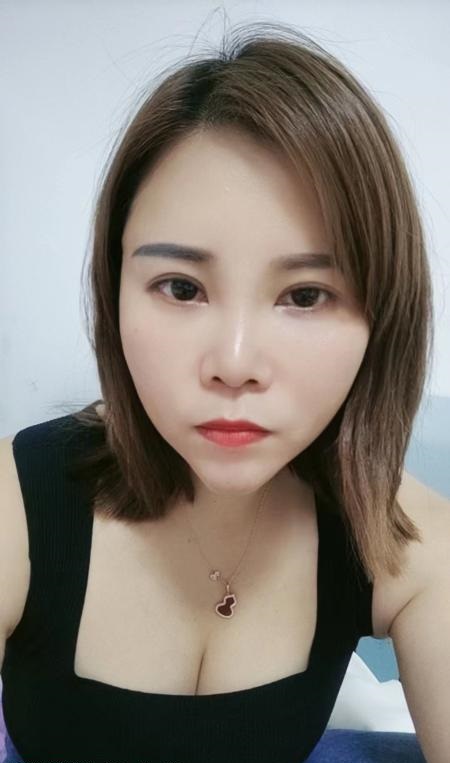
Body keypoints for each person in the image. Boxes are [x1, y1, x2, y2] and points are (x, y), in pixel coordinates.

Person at [0, 19, 446, 763]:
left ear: (382, 317)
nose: (234, 364)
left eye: (305, 295)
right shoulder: (17, 508)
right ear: (115, 290)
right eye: (181, 287)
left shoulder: (404, 535)